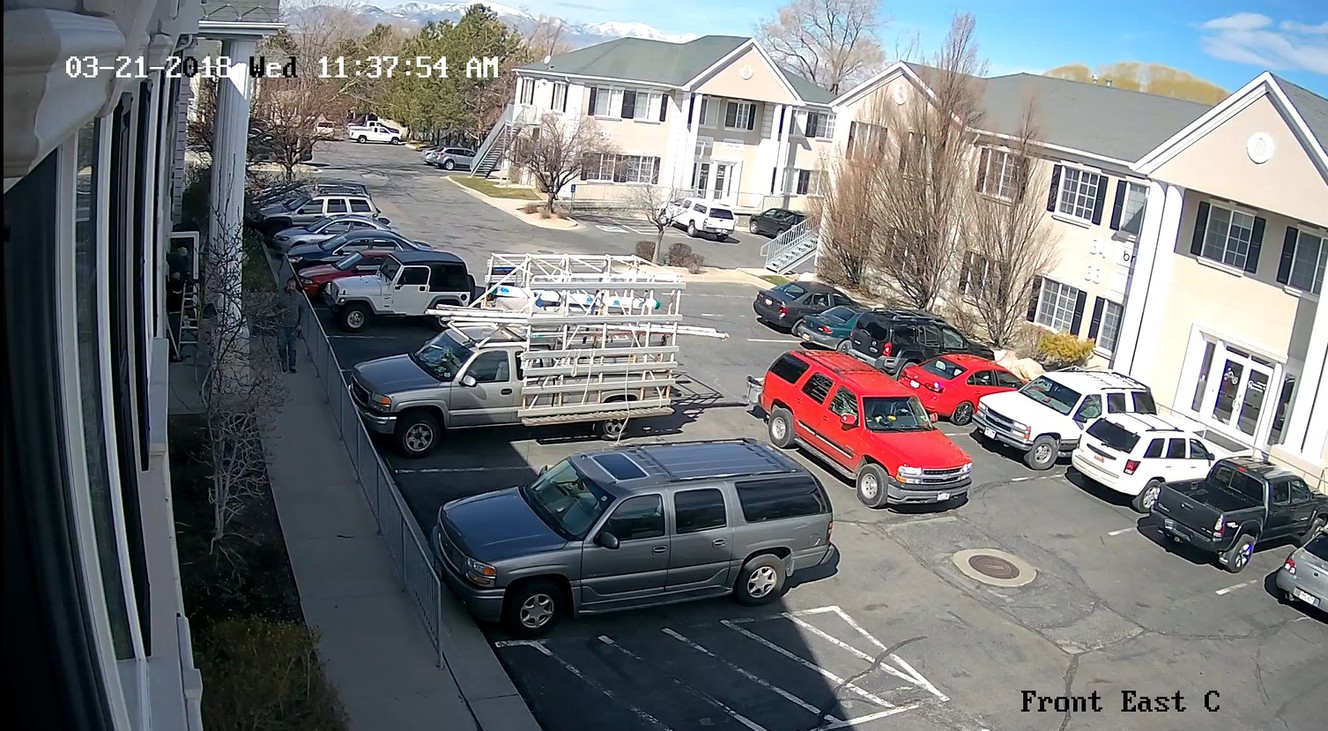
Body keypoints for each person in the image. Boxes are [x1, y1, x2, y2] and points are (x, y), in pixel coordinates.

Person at [277, 276, 302, 373]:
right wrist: (279, 311)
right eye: (289, 286)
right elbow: (273, 306)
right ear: (286, 285)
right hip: (281, 325)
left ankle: (292, 365)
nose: (291, 288)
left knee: (292, 348)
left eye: (293, 286)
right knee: (281, 345)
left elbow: (303, 310)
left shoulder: (299, 297)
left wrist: (301, 323)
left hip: (293, 327)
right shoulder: (279, 294)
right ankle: (284, 362)